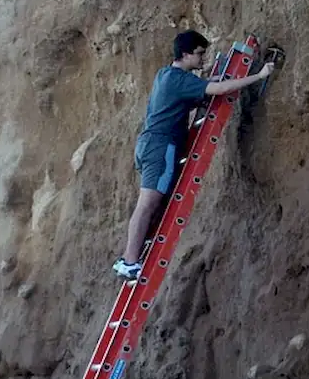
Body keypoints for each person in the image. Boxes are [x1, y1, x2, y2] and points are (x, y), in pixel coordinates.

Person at [112, 30, 275, 279]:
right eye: (199, 54)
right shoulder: (178, 79)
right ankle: (130, 261)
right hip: (161, 147)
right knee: (146, 205)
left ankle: (130, 259)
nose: (202, 59)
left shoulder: (165, 75)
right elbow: (219, 90)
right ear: (185, 54)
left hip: (149, 145)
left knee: (149, 205)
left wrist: (215, 80)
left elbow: (200, 89)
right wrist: (258, 76)